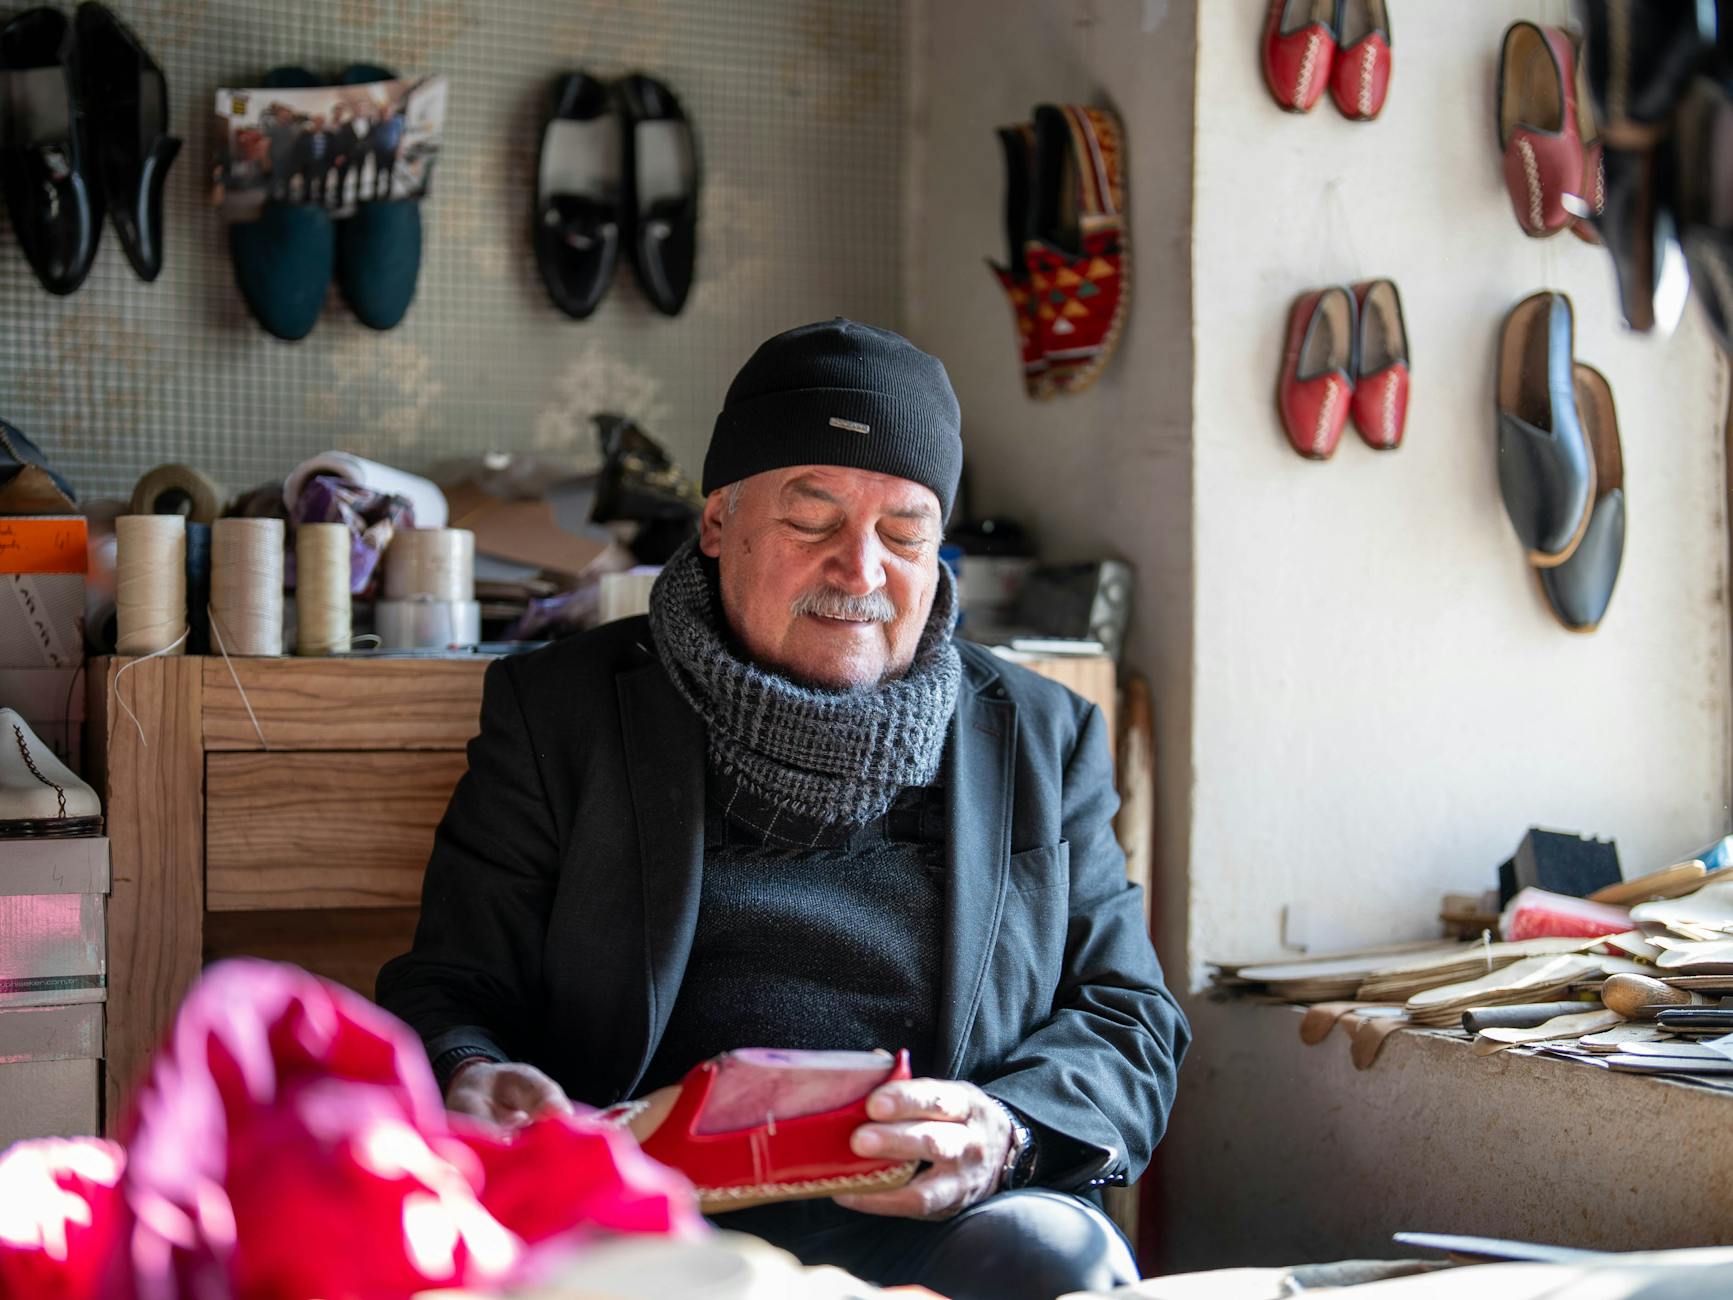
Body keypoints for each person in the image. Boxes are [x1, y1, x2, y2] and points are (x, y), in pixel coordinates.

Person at [377, 319, 1189, 1300]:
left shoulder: (1041, 737)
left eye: (903, 533)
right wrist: (469, 1071)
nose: (860, 569)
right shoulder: (562, 712)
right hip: (654, 1221)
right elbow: (448, 989)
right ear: (717, 520)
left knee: (1057, 1257)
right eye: (812, 519)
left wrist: (1001, 1131)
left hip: (936, 1220)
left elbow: (1130, 1022)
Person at [368, 100, 404, 199]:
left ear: (392, 112)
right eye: (384, 111)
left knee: (390, 175)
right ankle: (375, 194)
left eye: (388, 111)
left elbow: (401, 136)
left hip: (391, 152)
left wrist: (399, 149)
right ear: (381, 112)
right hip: (378, 152)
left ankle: (388, 194)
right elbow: (372, 136)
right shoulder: (377, 123)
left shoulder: (397, 121)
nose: (386, 113)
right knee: (377, 175)